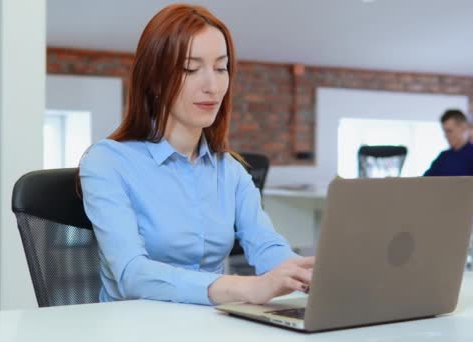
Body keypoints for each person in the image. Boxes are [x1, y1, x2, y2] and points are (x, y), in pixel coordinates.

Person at [78, 4, 313, 306]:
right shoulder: (107, 162)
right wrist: (244, 288)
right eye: (190, 68)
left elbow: (266, 246)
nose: (212, 86)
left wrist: (305, 272)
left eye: (221, 68)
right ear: (155, 79)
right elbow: (132, 275)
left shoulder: (230, 171)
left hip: (208, 327)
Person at [424, 109, 473, 205]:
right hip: (438, 205)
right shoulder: (444, 156)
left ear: (463, 128)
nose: (446, 135)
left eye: (449, 131)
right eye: (444, 131)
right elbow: (424, 182)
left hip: (460, 209)